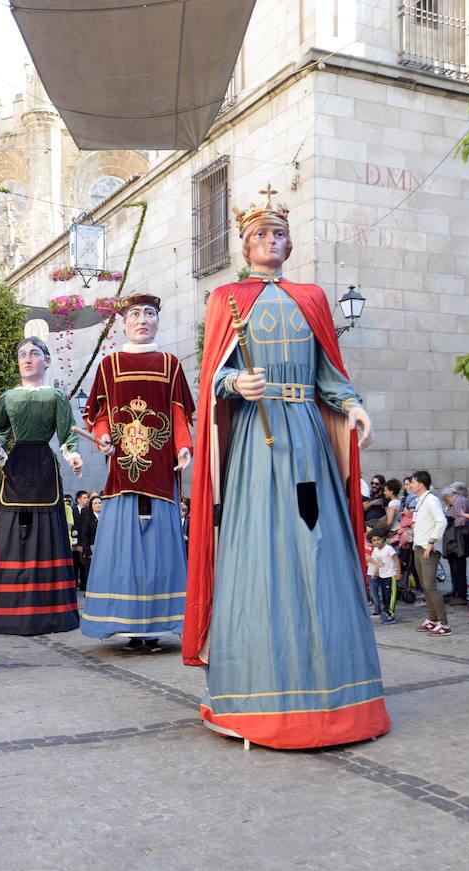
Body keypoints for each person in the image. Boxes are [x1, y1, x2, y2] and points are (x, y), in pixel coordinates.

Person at [183, 187, 390, 749]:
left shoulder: (313, 298)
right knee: (260, 545)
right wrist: (234, 383)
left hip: (306, 436)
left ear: (290, 244)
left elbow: (329, 371)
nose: (269, 242)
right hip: (256, 439)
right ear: (245, 245)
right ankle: (257, 693)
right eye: (259, 235)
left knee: (318, 543)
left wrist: (353, 405)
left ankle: (339, 694)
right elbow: (212, 378)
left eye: (278, 234)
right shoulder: (226, 298)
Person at [82, 294, 195, 652]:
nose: (142, 319)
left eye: (149, 313)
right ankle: (126, 624)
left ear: (158, 320)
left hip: (161, 474)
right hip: (121, 476)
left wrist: (183, 445)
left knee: (160, 551)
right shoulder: (109, 364)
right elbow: (98, 414)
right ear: (123, 323)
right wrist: (102, 438)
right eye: (135, 314)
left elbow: (178, 413)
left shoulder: (171, 364)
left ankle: (158, 624)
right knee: (123, 554)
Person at [0, 336, 82, 636]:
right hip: (16, 467)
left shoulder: (56, 397)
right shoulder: (8, 397)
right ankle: (8, 611)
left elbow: (66, 436)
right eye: (22, 354)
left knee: (46, 530)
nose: (27, 359)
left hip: (44, 466)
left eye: (34, 354)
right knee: (11, 530)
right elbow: (0, 431)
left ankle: (49, 612)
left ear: (47, 360)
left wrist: (73, 455)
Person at [410, 471, 449, 635]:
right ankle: (432, 620)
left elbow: (442, 521)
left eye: (412, 482)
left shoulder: (431, 499)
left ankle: (444, 625)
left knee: (430, 587)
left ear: (421, 484)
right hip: (418, 548)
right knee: (425, 587)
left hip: (428, 550)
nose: (410, 485)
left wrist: (431, 542)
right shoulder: (420, 500)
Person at [440, 485, 469, 607]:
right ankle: (455, 592)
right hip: (454, 540)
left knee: (459, 569)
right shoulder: (456, 502)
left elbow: (462, 521)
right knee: (454, 568)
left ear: (448, 496)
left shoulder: (460, 501)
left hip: (459, 539)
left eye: (445, 499)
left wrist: (449, 520)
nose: (445, 501)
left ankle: (461, 596)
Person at [368, 529, 401, 624]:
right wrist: (375, 573)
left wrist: (398, 572)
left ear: (383, 539)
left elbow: (396, 560)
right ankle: (387, 612)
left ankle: (391, 614)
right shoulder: (375, 550)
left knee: (390, 596)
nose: (376, 542)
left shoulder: (388, 548)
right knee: (385, 596)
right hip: (382, 576)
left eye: (378, 539)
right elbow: (378, 563)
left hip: (391, 575)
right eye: (373, 540)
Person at [80, 495, 101, 589]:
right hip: (92, 548)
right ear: (91, 506)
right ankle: (89, 590)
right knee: (90, 570)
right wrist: (86, 550)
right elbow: (84, 535)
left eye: (100, 503)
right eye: (95, 503)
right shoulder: (88, 518)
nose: (98, 505)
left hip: (105, 547)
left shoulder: (106, 517)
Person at [72, 490, 89, 591]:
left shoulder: (88, 512)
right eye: (84, 498)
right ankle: (73, 585)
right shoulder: (73, 510)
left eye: (87, 498)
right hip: (74, 543)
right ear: (78, 499)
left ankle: (84, 585)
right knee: (75, 565)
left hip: (83, 543)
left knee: (84, 566)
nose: (86, 500)